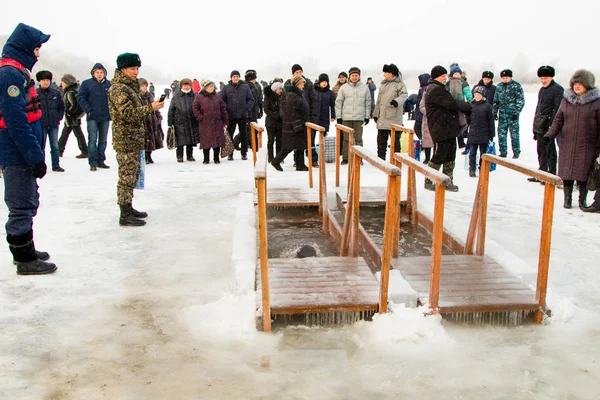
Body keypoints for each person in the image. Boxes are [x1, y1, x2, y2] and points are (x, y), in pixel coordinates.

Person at [0, 22, 57, 274]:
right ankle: (24, 259)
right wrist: (34, 156)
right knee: (21, 204)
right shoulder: (9, 75)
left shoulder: (16, 72)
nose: (38, 54)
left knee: (27, 199)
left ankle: (27, 248)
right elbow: (15, 121)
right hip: (15, 152)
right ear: (24, 48)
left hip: (20, 150)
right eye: (36, 48)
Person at [108, 52, 164, 226]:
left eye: (137, 68)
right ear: (123, 69)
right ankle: (124, 214)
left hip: (133, 137)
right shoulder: (119, 88)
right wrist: (150, 108)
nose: (136, 72)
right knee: (126, 175)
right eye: (132, 68)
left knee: (132, 174)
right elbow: (127, 114)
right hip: (126, 138)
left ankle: (128, 207)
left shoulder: (130, 86)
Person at [545, 69, 600, 210]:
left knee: (583, 172)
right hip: (567, 142)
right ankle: (567, 199)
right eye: (575, 83)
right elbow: (558, 120)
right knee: (566, 172)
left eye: (580, 83)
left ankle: (582, 200)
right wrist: (550, 135)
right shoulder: (566, 101)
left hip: (587, 143)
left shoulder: (596, 102)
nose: (577, 86)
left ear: (588, 85)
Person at [423, 65, 472, 192]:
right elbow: (451, 104)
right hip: (440, 128)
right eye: (442, 76)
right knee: (439, 155)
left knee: (450, 155)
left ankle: (447, 180)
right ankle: (429, 180)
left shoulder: (441, 88)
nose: (445, 78)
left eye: (446, 75)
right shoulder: (435, 90)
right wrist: (468, 106)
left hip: (448, 128)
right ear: (436, 77)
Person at [529, 65, 563, 183]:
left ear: (551, 77)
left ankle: (550, 174)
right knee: (540, 150)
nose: (543, 81)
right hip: (540, 124)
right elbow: (538, 107)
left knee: (550, 151)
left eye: (546, 78)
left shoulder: (558, 89)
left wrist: (552, 125)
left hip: (549, 125)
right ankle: (541, 172)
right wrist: (535, 125)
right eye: (541, 78)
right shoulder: (542, 90)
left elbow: (558, 109)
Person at [271, 75, 310, 172]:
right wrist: (297, 123)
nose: (303, 85)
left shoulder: (297, 93)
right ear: (296, 84)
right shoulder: (292, 95)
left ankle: (300, 164)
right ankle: (276, 161)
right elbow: (290, 111)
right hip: (293, 124)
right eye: (301, 83)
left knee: (300, 145)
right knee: (289, 146)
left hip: (298, 123)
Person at [78, 63, 111, 171]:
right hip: (92, 116)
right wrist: (88, 110)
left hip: (105, 116)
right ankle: (92, 162)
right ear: (93, 73)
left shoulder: (109, 84)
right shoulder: (87, 84)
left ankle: (101, 160)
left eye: (101, 72)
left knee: (103, 140)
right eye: (97, 72)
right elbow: (81, 97)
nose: (99, 74)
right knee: (92, 140)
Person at [336, 67, 371, 164]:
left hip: (359, 117)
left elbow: (368, 103)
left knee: (358, 139)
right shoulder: (344, 88)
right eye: (353, 75)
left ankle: (359, 158)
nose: (354, 77)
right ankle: (346, 158)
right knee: (346, 139)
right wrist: (339, 117)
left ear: (359, 76)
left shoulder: (365, 88)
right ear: (349, 76)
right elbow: (338, 103)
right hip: (346, 118)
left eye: (356, 75)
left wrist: (367, 116)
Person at [372, 63, 408, 160]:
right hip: (382, 117)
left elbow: (404, 95)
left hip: (393, 117)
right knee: (381, 140)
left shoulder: (399, 84)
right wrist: (376, 114)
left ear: (391, 73)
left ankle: (396, 159)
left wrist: (397, 101)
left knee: (395, 141)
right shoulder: (383, 84)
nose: (384, 74)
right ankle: (380, 158)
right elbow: (379, 101)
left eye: (385, 72)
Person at [192, 80, 228, 164]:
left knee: (217, 140)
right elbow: (195, 108)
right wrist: (200, 117)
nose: (211, 88)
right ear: (205, 88)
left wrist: (225, 121)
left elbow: (223, 109)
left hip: (217, 122)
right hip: (205, 123)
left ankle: (216, 158)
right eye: (209, 86)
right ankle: (206, 158)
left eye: (212, 86)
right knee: (206, 141)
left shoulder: (218, 96)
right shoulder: (199, 97)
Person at [220, 70, 254, 160]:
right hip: (231, 116)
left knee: (244, 135)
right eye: (234, 76)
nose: (235, 78)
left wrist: (246, 108)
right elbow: (222, 100)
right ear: (231, 77)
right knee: (230, 135)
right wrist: (227, 108)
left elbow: (251, 99)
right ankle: (230, 153)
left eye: (237, 76)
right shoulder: (226, 88)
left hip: (243, 115)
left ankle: (244, 153)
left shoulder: (245, 87)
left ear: (239, 77)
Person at [36, 70, 65, 172]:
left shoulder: (56, 93)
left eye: (47, 80)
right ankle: (41, 166)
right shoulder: (36, 94)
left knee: (55, 146)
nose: (45, 82)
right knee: (41, 146)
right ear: (39, 81)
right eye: (43, 80)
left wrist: (59, 116)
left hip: (53, 123)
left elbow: (62, 106)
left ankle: (56, 165)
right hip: (41, 124)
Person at [493, 69, 525, 158]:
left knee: (514, 134)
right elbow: (495, 101)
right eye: (503, 78)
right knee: (501, 134)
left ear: (510, 77)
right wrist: (494, 112)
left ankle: (516, 152)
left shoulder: (516, 86)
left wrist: (516, 112)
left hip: (513, 115)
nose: (505, 79)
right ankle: (503, 152)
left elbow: (520, 101)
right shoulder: (499, 87)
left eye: (506, 78)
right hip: (502, 115)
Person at [168, 78, 199, 162]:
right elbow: (171, 110)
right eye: (184, 85)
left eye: (188, 85)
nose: (186, 86)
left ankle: (190, 156)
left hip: (191, 121)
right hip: (179, 122)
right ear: (181, 86)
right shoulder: (176, 97)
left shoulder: (194, 96)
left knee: (190, 140)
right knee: (180, 141)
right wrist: (170, 122)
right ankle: (179, 156)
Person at [467, 86, 495, 177]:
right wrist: (464, 131)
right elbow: (467, 120)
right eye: (475, 95)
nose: (476, 96)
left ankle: (482, 168)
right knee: (472, 153)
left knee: (483, 153)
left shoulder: (487, 106)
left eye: (478, 95)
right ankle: (472, 169)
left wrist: (492, 134)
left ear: (482, 96)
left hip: (484, 133)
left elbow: (491, 121)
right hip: (473, 133)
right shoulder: (471, 105)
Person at [58, 74, 88, 159]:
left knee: (72, 134)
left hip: (71, 118)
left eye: (63, 82)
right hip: (73, 118)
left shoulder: (69, 92)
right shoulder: (74, 90)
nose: (62, 84)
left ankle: (85, 151)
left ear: (67, 83)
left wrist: (69, 113)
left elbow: (74, 105)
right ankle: (59, 150)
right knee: (69, 134)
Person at [138, 78, 164, 164]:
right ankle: (144, 156)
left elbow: (155, 108)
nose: (145, 88)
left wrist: (159, 117)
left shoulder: (149, 95)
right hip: (143, 120)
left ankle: (149, 155)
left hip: (152, 120)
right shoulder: (137, 96)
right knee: (145, 139)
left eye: (146, 86)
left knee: (152, 139)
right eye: (143, 86)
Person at [314, 73, 336, 165]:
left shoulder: (330, 93)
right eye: (322, 81)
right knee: (312, 136)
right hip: (314, 117)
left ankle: (322, 153)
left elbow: (332, 105)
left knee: (323, 136)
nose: (324, 83)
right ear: (319, 82)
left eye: (325, 82)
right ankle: (312, 155)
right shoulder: (314, 91)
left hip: (324, 117)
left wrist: (333, 116)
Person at [414, 73, 433, 163]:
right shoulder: (426, 88)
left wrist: (414, 100)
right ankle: (426, 151)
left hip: (421, 115)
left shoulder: (424, 89)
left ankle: (427, 156)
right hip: (421, 114)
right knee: (425, 135)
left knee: (424, 135)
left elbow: (420, 101)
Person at [264, 80, 283, 162]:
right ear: (275, 89)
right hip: (270, 122)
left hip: (280, 122)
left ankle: (278, 158)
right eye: (279, 89)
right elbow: (266, 109)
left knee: (279, 141)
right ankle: (270, 158)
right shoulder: (268, 97)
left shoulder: (282, 97)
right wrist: (276, 114)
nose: (281, 90)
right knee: (271, 140)